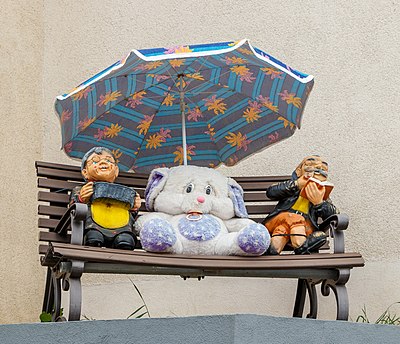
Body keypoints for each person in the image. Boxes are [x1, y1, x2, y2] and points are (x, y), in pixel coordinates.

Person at [69, 147, 141, 250]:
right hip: (94, 226)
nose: (103, 162)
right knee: (93, 237)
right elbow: (73, 209)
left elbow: (131, 214)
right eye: (95, 161)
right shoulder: (82, 189)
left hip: (121, 228)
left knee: (126, 240)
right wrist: (81, 198)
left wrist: (134, 207)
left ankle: (123, 243)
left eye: (108, 160)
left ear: (116, 170)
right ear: (85, 172)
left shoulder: (124, 191)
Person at [263, 155, 338, 255]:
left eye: (321, 169)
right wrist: (297, 184)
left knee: (278, 238)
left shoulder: (321, 194)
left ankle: (273, 251)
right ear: (299, 171)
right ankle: (302, 246)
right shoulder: (291, 187)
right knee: (294, 218)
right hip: (281, 219)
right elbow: (271, 192)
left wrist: (319, 203)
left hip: (304, 227)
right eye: (309, 166)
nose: (316, 171)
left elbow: (334, 214)